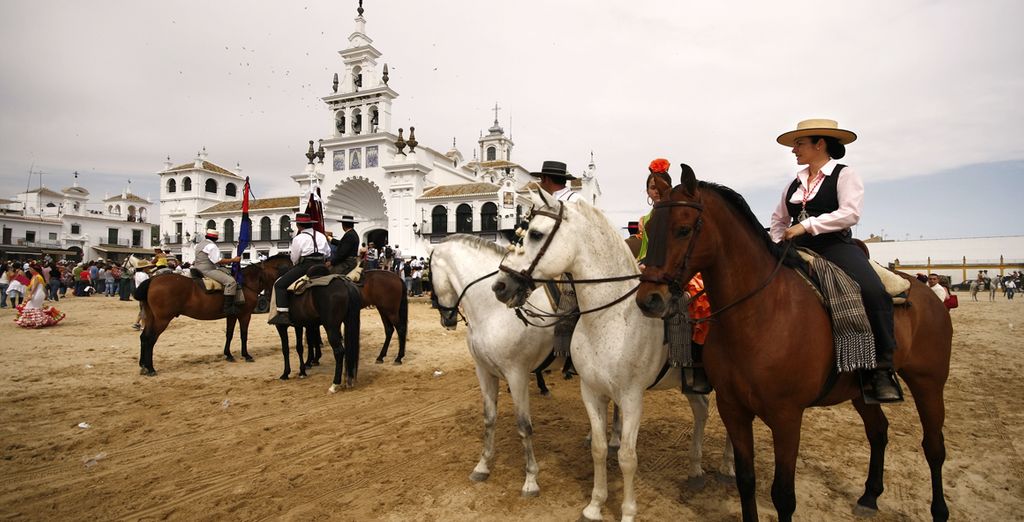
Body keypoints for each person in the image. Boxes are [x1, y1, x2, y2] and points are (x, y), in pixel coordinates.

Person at [770, 118, 901, 403]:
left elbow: (850, 213)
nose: (794, 150)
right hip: (794, 247)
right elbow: (779, 220)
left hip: (834, 245)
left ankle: (881, 369)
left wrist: (807, 225)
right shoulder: (794, 182)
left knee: (873, 291)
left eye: (799, 144)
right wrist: (777, 242)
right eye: (794, 144)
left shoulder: (845, 174)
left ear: (820, 144)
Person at [637, 158, 713, 393]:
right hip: (651, 267)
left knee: (690, 301)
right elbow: (644, 251)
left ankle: (690, 364)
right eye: (652, 187)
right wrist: (641, 264)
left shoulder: (676, 213)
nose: (656, 191)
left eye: (660, 186)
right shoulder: (645, 220)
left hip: (679, 267)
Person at [269, 213, 331, 325]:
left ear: (298, 226)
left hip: (306, 266)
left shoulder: (298, 238)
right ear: (310, 224)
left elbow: (294, 258)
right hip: (322, 266)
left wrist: (296, 264)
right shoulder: (321, 235)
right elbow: (327, 253)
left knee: (280, 285)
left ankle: (283, 314)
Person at [193, 229, 243, 315]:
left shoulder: (199, 244)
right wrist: (233, 260)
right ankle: (228, 308)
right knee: (231, 282)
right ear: (216, 239)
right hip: (208, 270)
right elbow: (217, 261)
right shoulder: (212, 246)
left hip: (197, 268)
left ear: (206, 236)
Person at [15, 264, 65, 328]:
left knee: (32, 307)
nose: (29, 270)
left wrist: (30, 294)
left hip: (37, 294)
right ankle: (37, 322)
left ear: (34, 269)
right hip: (38, 293)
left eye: (30, 269)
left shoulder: (36, 277)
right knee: (35, 307)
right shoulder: (37, 276)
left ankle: (36, 322)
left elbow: (34, 287)